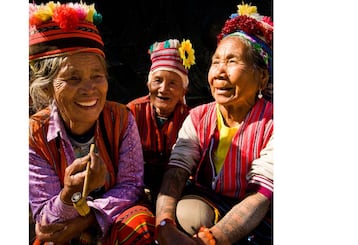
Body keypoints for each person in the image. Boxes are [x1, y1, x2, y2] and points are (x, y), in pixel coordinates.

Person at [28, 2, 154, 244]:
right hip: (65, 228)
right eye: (72, 78)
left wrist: (90, 218)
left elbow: (131, 186)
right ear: (47, 88)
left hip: (114, 220)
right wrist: (71, 193)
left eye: (97, 76)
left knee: (140, 224)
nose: (89, 89)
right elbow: (45, 219)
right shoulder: (35, 134)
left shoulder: (121, 118)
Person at [154, 2, 273, 245]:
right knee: (185, 213)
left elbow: (261, 196)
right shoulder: (200, 117)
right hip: (210, 204)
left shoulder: (275, 123)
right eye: (216, 61)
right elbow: (177, 170)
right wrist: (164, 225)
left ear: (262, 77)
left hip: (262, 215)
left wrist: (210, 240)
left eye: (232, 61)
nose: (219, 71)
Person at [127, 38, 195, 208]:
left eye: (173, 83)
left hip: (176, 188)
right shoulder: (132, 112)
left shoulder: (191, 119)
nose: (163, 89)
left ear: (183, 91)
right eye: (158, 81)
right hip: (137, 186)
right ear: (148, 84)